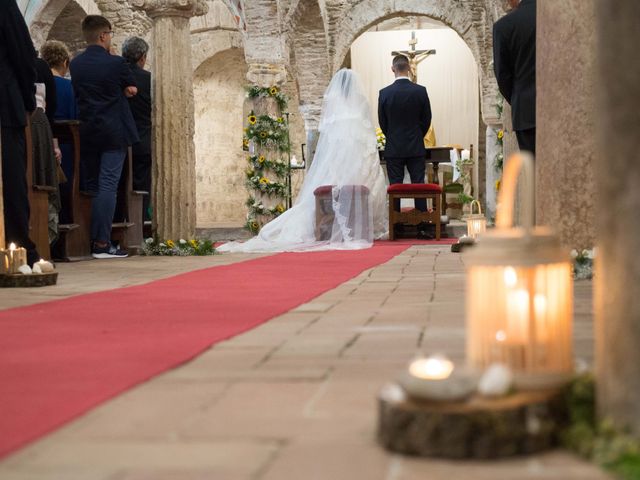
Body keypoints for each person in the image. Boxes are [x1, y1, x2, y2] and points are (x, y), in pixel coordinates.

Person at [219, 69, 387, 253]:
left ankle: (331, 225)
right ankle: (368, 226)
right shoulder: (360, 108)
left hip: (335, 169)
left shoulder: (334, 110)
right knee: (372, 181)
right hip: (358, 168)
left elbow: (329, 145)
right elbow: (366, 143)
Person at [70, 15, 139, 258]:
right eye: (109, 34)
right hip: (113, 131)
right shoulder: (116, 63)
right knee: (108, 186)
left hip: (87, 131)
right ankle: (101, 243)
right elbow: (132, 89)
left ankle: (92, 239)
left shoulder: (75, 65)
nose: (110, 38)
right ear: (102, 36)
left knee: (92, 185)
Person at [0, 0, 40, 265]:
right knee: (11, 176)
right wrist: (28, 99)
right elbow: (23, 54)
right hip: (4, 104)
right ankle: (17, 253)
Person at [378, 54, 432, 214]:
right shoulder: (420, 91)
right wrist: (417, 135)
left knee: (395, 186)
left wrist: (393, 136)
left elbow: (383, 122)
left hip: (394, 147)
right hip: (415, 146)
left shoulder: (385, 93)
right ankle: (422, 223)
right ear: (408, 68)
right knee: (419, 185)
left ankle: (397, 225)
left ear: (392, 69)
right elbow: (427, 119)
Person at [40, 40, 77, 226]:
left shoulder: (40, 84)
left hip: (44, 141)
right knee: (66, 186)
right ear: (64, 62)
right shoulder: (68, 87)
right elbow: (75, 115)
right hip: (67, 144)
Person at [493, 0, 536, 155]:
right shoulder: (558, 18)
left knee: (533, 169)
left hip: (525, 111)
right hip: (560, 105)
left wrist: (519, 98)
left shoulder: (504, 26)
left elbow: (502, 75)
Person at [122, 36, 152, 221]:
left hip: (119, 138)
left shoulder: (116, 75)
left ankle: (121, 224)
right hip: (143, 138)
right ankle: (141, 225)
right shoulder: (148, 79)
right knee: (142, 186)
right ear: (142, 57)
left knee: (119, 184)